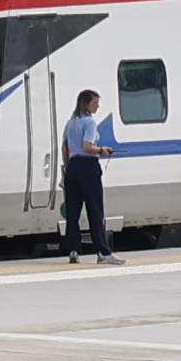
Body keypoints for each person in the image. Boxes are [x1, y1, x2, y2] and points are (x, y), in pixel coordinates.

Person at [60, 89, 124, 265]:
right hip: (88, 167)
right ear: (86, 104)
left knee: (73, 212)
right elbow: (87, 146)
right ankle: (103, 252)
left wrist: (67, 166)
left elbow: (64, 147)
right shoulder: (89, 122)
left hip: (72, 168)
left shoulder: (70, 123)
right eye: (95, 102)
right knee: (95, 211)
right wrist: (102, 150)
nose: (98, 106)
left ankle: (73, 251)